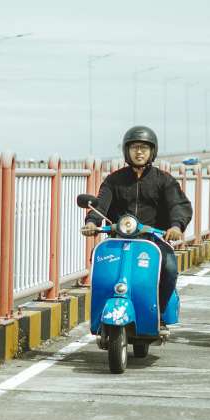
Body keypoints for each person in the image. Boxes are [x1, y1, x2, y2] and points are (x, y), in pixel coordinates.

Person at [81, 126, 192, 333]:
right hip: (118, 238)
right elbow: (101, 203)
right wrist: (92, 221)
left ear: (152, 151)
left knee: (169, 268)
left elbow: (178, 205)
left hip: (153, 240)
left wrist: (176, 226)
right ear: (126, 150)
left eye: (144, 148)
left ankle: (158, 310)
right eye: (134, 147)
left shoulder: (164, 180)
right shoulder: (114, 180)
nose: (139, 152)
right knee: (100, 265)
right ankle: (103, 310)